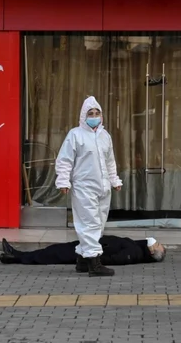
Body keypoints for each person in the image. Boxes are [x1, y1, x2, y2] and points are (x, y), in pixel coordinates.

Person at [55, 96, 123, 277]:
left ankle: (82, 259)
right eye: (90, 113)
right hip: (84, 186)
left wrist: (114, 180)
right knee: (90, 224)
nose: (94, 116)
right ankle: (94, 263)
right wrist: (63, 181)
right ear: (83, 116)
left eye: (97, 113)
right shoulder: (75, 135)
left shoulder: (104, 136)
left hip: (103, 187)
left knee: (99, 223)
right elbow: (65, 160)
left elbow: (110, 161)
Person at [0, 236, 166, 267]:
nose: (157, 242)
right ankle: (15, 255)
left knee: (51, 255)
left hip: (88, 251)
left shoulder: (135, 253)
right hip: (89, 244)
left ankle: (14, 257)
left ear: (152, 252)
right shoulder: (138, 247)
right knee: (52, 250)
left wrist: (91, 258)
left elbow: (114, 259)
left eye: (158, 244)